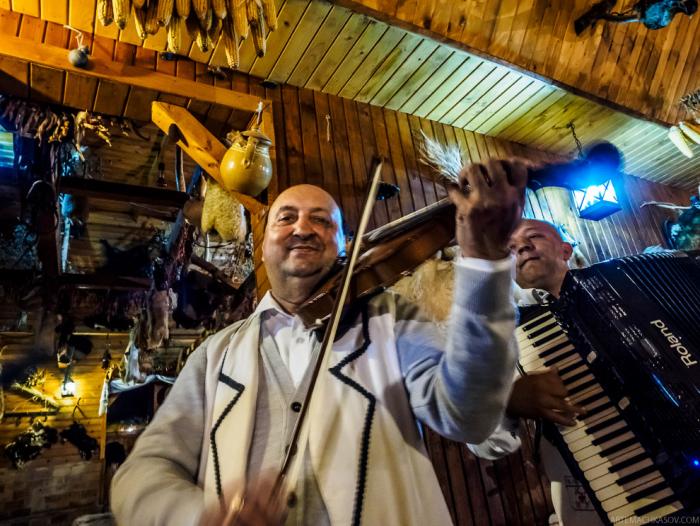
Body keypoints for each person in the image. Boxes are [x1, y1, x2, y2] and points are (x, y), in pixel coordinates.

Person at [110, 159, 527, 526]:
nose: (303, 228)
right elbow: (141, 473)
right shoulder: (215, 355)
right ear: (263, 244)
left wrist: (485, 265)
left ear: (345, 245)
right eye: (286, 218)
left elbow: (468, 416)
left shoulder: (391, 319)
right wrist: (199, 517)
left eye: (323, 221)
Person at [470, 218, 602, 526]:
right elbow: (483, 444)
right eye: (510, 248)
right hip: (592, 480)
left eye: (534, 237)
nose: (522, 247)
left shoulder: (620, 289)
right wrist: (507, 403)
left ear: (565, 250)